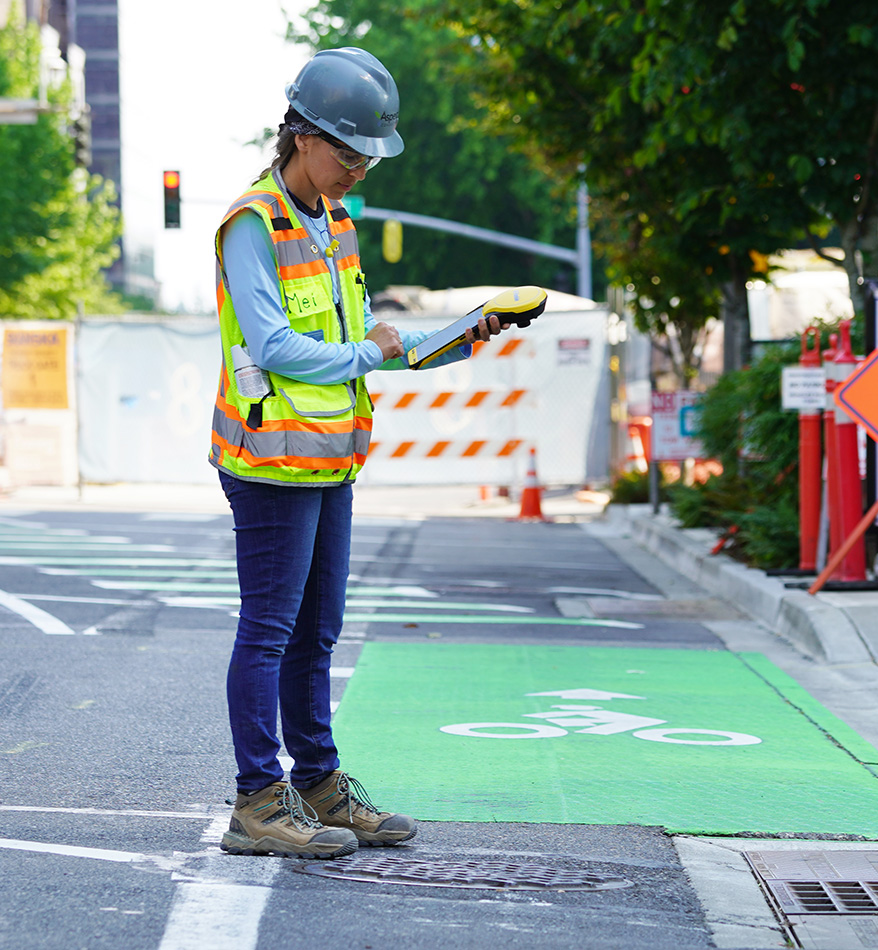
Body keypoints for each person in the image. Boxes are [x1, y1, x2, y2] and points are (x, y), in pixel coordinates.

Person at [210, 47, 510, 859]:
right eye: (349, 153)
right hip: (269, 460)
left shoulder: (335, 224)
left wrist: (457, 338)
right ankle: (256, 800)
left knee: (317, 635)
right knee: (269, 632)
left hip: (331, 459)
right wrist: (372, 354)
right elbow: (274, 344)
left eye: (370, 158)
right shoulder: (252, 222)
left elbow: (369, 336)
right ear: (301, 136)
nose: (360, 172)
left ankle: (318, 786)